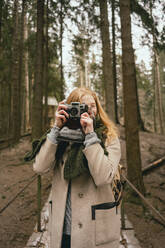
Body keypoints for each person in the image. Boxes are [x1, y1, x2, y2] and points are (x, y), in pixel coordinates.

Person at [33, 87, 121, 248]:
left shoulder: (108, 137)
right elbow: (39, 168)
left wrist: (90, 137)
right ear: (68, 109)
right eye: (80, 106)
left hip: (93, 230)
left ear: (98, 108)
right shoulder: (60, 139)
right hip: (62, 229)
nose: (87, 111)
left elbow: (103, 177)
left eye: (92, 106)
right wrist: (55, 129)